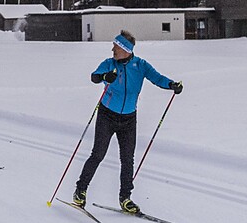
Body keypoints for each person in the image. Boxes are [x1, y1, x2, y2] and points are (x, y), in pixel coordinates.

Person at [73, 30, 181, 213]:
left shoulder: (141, 65)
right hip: (107, 115)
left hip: (129, 119)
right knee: (98, 154)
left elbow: (157, 78)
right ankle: (80, 190)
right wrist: (105, 77)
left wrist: (172, 85)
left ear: (126, 49)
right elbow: (94, 76)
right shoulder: (109, 64)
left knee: (127, 160)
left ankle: (125, 198)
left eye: (115, 47)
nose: (112, 50)